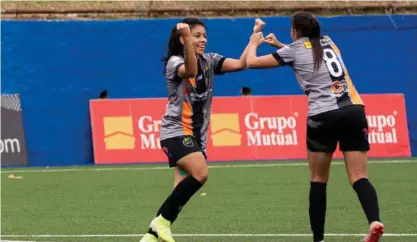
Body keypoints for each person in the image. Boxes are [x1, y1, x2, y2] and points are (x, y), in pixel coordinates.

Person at [245, 12, 384, 242]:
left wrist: (255, 38)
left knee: (319, 179)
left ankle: (318, 239)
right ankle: (374, 221)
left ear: (295, 32)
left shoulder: (294, 50)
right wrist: (281, 45)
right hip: (354, 110)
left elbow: (251, 62)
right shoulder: (329, 42)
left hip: (323, 115)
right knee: (359, 176)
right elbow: (309, 56)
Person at [140, 17, 265, 242]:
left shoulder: (210, 60)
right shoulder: (175, 62)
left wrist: (254, 39)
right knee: (201, 173)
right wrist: (187, 38)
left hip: (196, 137)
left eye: (204, 36)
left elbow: (240, 64)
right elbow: (190, 70)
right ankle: (159, 223)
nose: (203, 40)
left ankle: (151, 237)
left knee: (179, 194)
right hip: (175, 132)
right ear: (183, 39)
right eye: (197, 35)